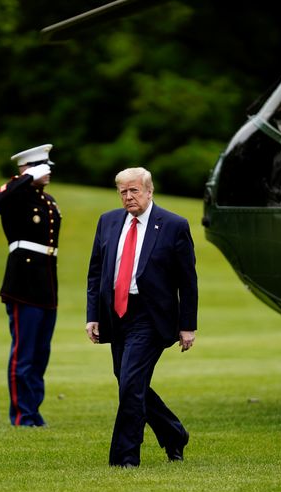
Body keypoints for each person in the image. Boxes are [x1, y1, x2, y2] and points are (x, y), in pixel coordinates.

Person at [85, 167, 198, 467]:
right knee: (127, 382)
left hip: (151, 317)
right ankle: (174, 433)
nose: (128, 196)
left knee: (131, 382)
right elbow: (96, 273)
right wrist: (92, 315)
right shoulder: (108, 222)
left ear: (149, 191)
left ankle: (125, 458)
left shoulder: (173, 225)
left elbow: (187, 281)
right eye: (123, 191)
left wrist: (187, 326)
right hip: (116, 314)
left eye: (134, 190)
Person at [0, 144, 60, 427]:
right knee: (24, 352)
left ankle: (34, 411)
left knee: (41, 353)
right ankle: (22, 415)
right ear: (27, 170)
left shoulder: (47, 200)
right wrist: (28, 177)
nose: (48, 172)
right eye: (41, 167)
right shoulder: (15, 195)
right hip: (23, 281)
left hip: (46, 282)